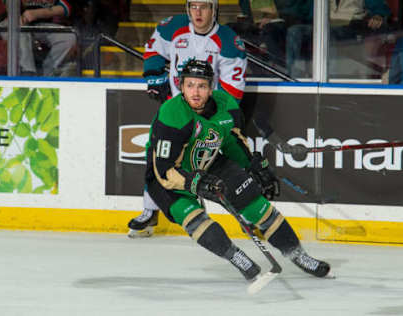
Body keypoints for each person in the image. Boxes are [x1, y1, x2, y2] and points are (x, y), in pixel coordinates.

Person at [142, 59, 331, 284]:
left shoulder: (226, 105)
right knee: (194, 218)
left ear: (211, 88)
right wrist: (195, 184)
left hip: (211, 162)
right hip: (170, 175)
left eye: (202, 86)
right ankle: (237, 257)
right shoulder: (171, 113)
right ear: (181, 86)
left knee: (258, 207)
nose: (196, 92)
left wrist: (251, 165)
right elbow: (163, 169)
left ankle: (300, 257)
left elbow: (232, 142)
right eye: (190, 85)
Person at [128, 0, 247, 237]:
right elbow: (153, 51)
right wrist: (155, 77)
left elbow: (232, 90)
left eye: (204, 7)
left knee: (226, 160)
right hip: (177, 111)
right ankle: (151, 209)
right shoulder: (173, 28)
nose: (198, 12)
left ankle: (246, 211)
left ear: (215, 10)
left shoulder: (228, 41)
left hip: (210, 115)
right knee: (157, 155)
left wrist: (209, 113)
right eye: (193, 6)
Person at [286, 0, 390, 77]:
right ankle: (294, 79)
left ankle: (329, 81)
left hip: (350, 27)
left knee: (328, 34)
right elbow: (303, 10)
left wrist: (378, 15)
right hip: (323, 24)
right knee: (294, 31)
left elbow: (380, 8)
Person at [0, 0, 76, 76]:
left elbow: (66, 8)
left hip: (42, 24)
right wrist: (15, 16)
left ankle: (49, 75)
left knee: (68, 36)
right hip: (14, 22)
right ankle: (28, 73)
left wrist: (37, 13)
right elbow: (9, 4)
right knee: (17, 28)